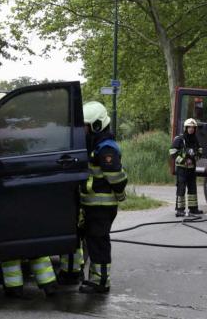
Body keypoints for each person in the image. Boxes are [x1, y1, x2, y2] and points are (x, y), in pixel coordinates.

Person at [0, 93, 59, 298]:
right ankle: (48, 284)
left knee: (9, 243)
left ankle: (14, 288)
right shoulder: (24, 128)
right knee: (33, 240)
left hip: (7, 193)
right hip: (27, 190)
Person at [75, 101, 128, 294]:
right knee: (93, 240)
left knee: (98, 242)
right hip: (92, 205)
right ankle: (95, 279)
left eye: (86, 126)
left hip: (102, 206)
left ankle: (101, 282)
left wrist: (120, 194)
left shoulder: (106, 148)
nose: (84, 130)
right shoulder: (95, 145)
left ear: (97, 125)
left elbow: (116, 177)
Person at [169, 118, 204, 217]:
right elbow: (172, 152)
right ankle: (180, 210)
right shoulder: (180, 139)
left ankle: (193, 209)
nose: (191, 129)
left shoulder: (195, 139)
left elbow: (200, 151)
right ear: (186, 128)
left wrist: (193, 159)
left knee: (192, 188)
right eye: (189, 127)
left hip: (192, 169)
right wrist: (184, 161)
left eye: (193, 128)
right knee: (181, 189)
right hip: (182, 169)